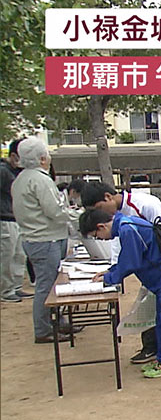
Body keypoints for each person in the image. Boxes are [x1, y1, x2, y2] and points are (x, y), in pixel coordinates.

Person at [80, 207, 161, 378]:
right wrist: (111, 271)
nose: (99, 239)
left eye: (96, 236)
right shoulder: (126, 224)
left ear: (101, 226)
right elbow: (128, 258)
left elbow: (131, 262)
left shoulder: (127, 230)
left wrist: (109, 278)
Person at [81, 180, 161, 363]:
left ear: (108, 197)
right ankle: (155, 349)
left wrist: (114, 276)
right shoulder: (118, 220)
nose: (100, 214)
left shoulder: (145, 205)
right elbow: (124, 249)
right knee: (153, 308)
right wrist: (113, 269)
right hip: (150, 270)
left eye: (99, 208)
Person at [11, 138, 75, 343]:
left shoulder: (21, 178)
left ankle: (55, 322)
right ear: (41, 158)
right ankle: (44, 329)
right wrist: (78, 216)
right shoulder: (40, 180)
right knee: (47, 286)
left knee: (49, 284)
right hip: (45, 240)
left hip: (35, 238)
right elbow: (55, 211)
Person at [0, 140, 31, 303]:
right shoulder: (3, 171)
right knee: (7, 255)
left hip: (17, 218)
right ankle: (6, 290)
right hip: (5, 219)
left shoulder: (16, 172)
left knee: (19, 255)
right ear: (13, 156)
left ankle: (16, 286)